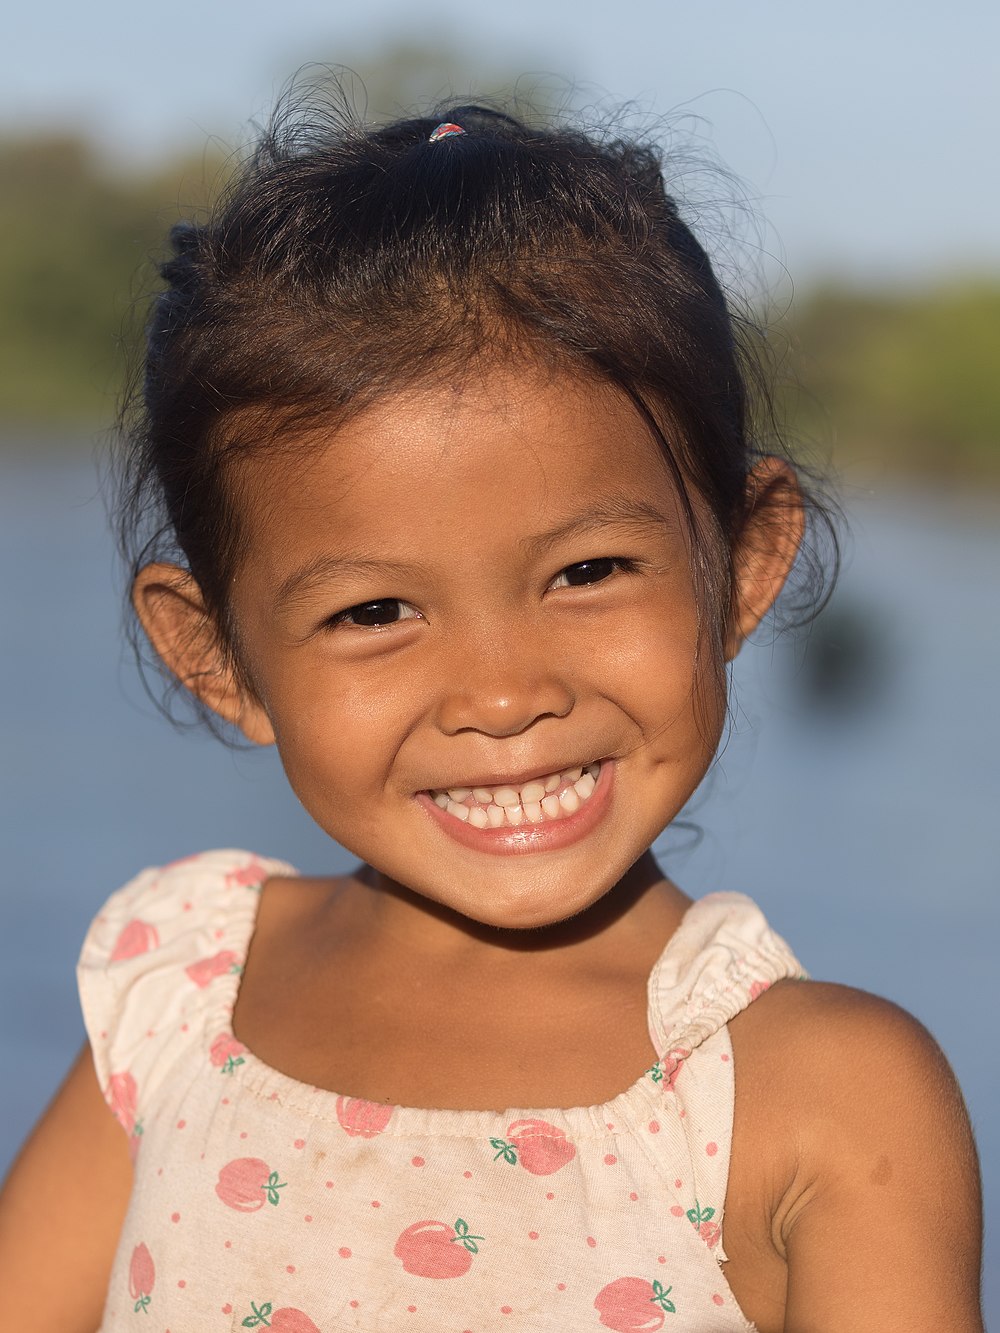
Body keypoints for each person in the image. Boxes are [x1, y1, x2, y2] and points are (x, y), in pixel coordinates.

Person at [0, 100, 983, 1332]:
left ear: (740, 564)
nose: (504, 696)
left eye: (586, 574)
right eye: (373, 612)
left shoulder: (814, 1098)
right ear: (220, 657)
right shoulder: (183, 997)